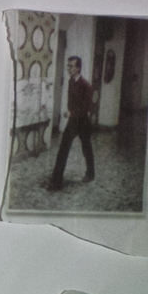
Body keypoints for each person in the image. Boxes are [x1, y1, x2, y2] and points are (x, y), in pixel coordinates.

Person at [47, 54, 96, 192]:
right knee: (63, 149)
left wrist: (71, 113)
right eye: (68, 66)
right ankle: (56, 181)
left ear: (78, 68)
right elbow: (72, 102)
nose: (68, 68)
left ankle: (90, 173)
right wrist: (70, 113)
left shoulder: (86, 85)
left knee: (86, 148)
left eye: (71, 66)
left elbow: (87, 107)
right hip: (73, 122)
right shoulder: (70, 81)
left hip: (83, 122)